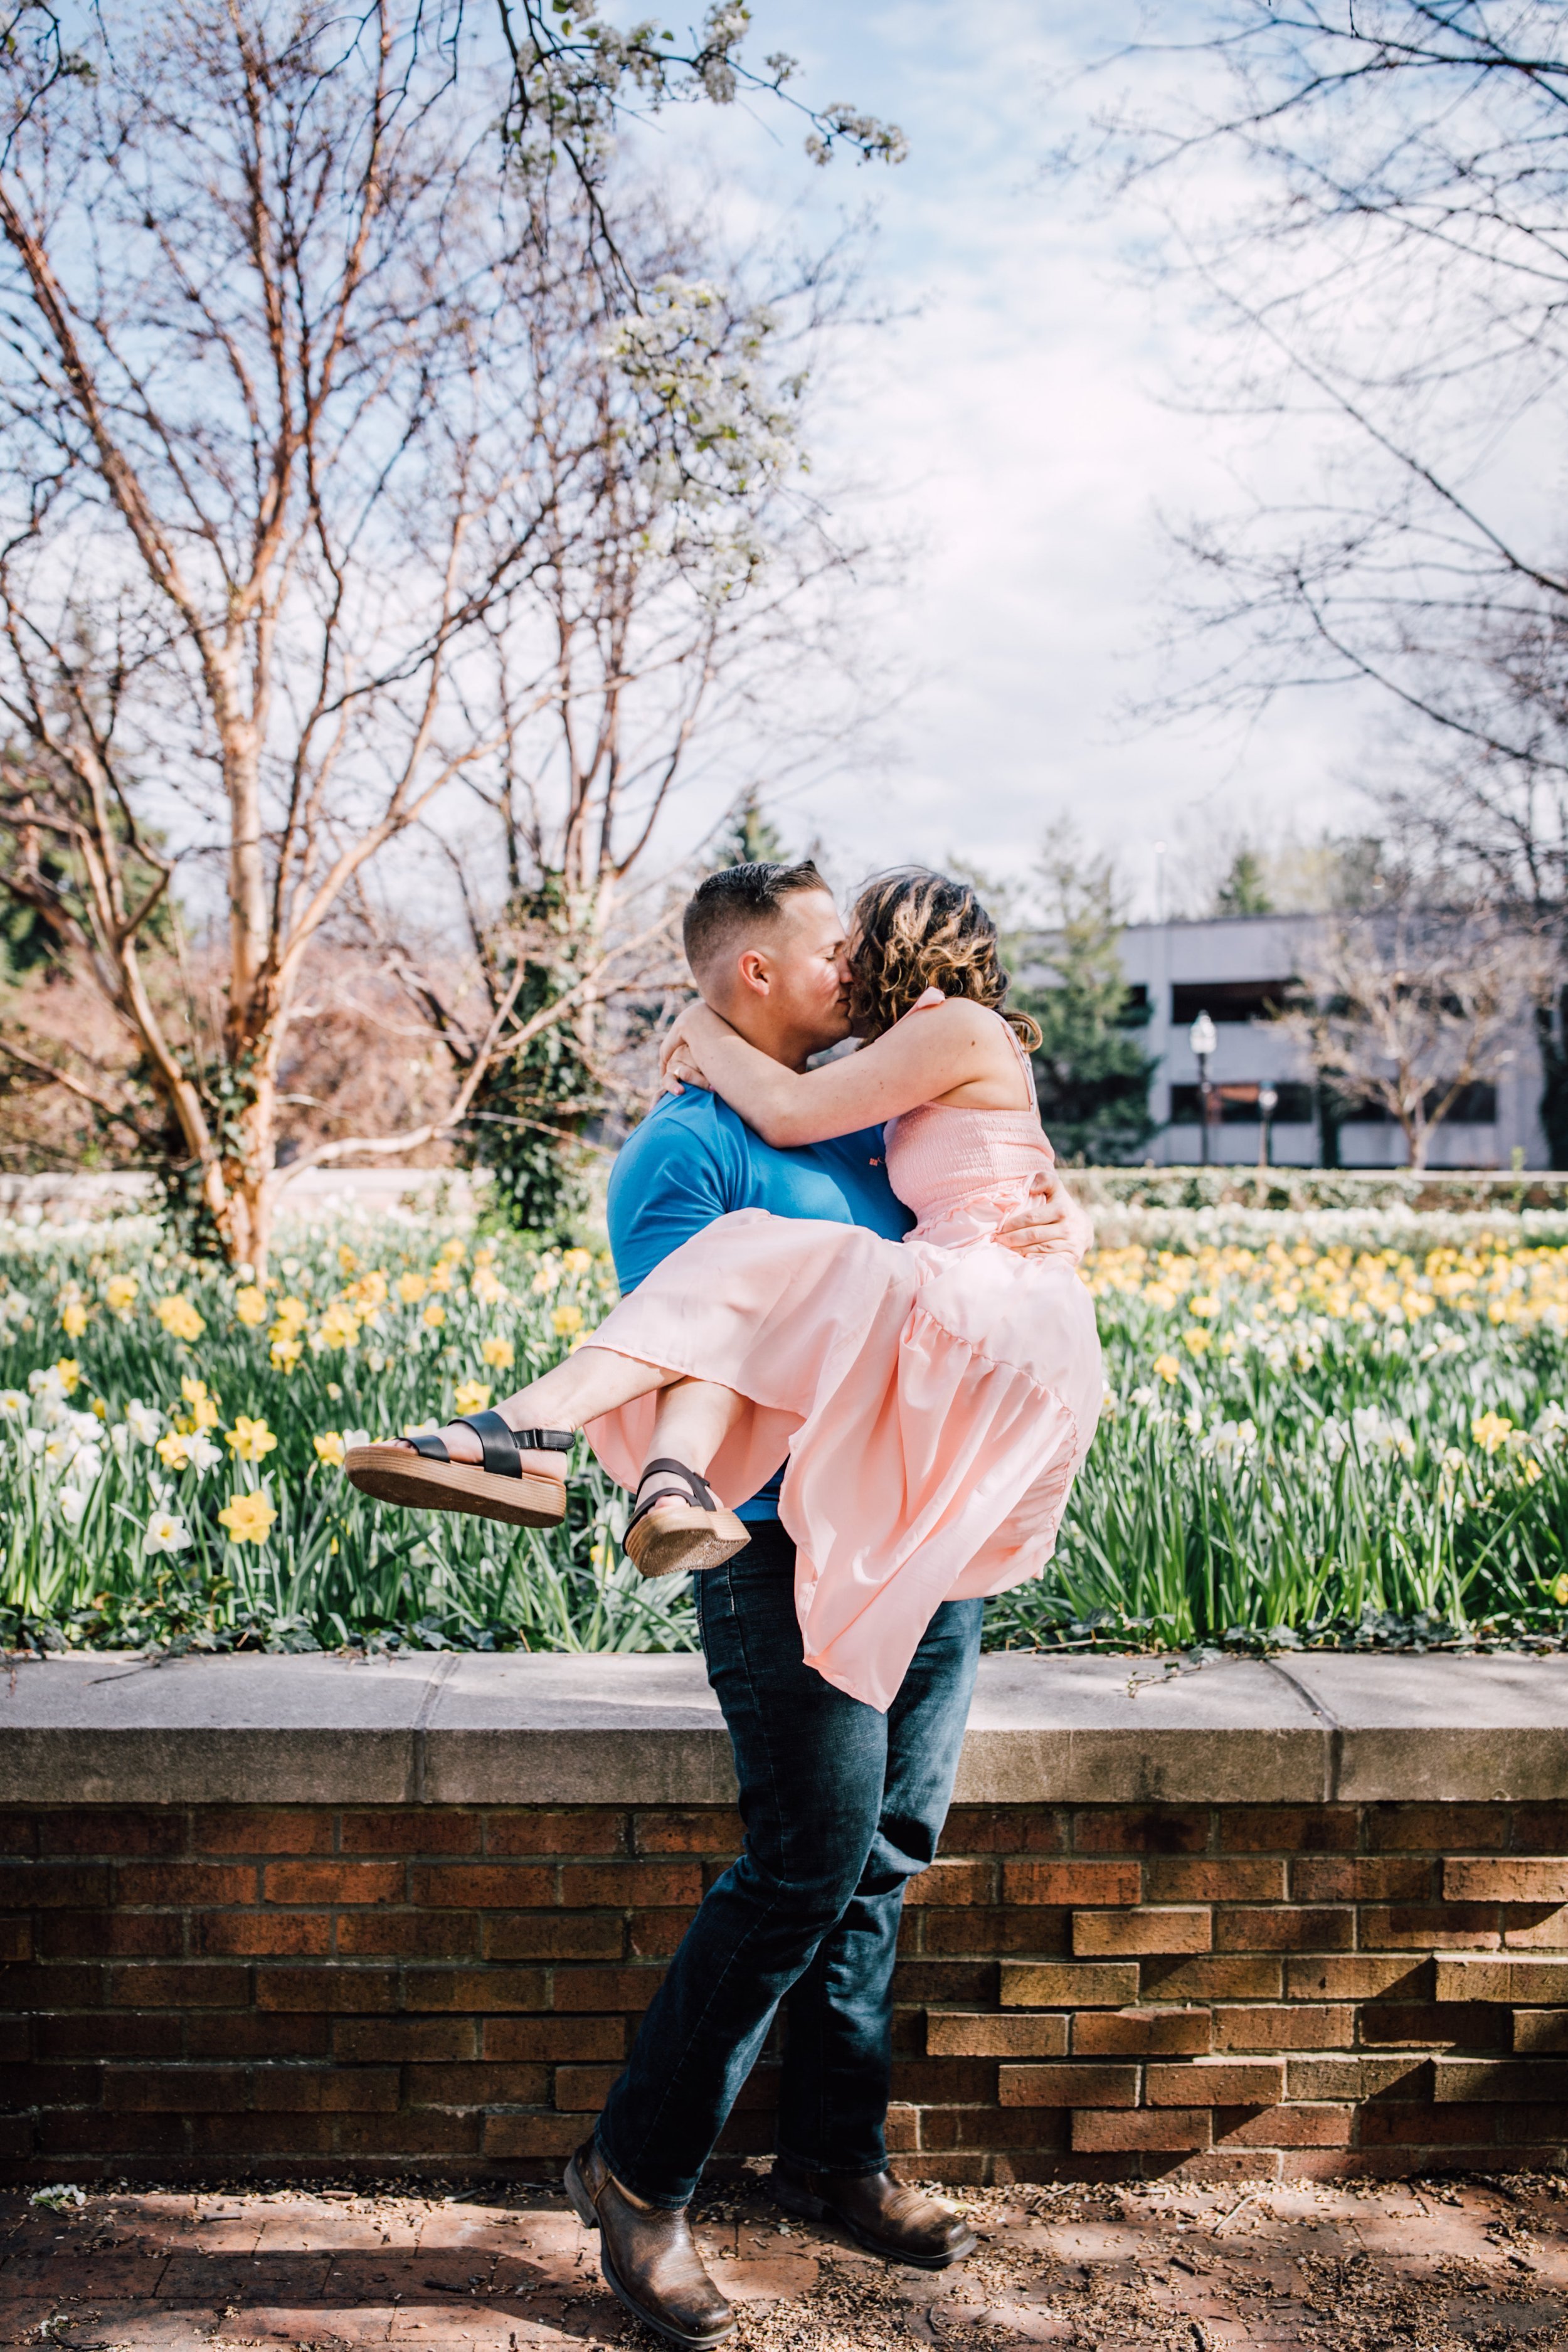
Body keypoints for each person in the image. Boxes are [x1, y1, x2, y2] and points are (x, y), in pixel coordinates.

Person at [350, 861, 1094, 2352]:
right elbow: (694, 1334)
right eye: (830, 949)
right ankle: (635, 2175)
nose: (855, 969)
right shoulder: (685, 1147)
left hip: (912, 1527)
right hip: (766, 1548)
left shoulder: (868, 1108)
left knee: (884, 1852)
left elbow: (955, 1233)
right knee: (803, 1863)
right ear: (754, 973)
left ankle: (835, 2160)